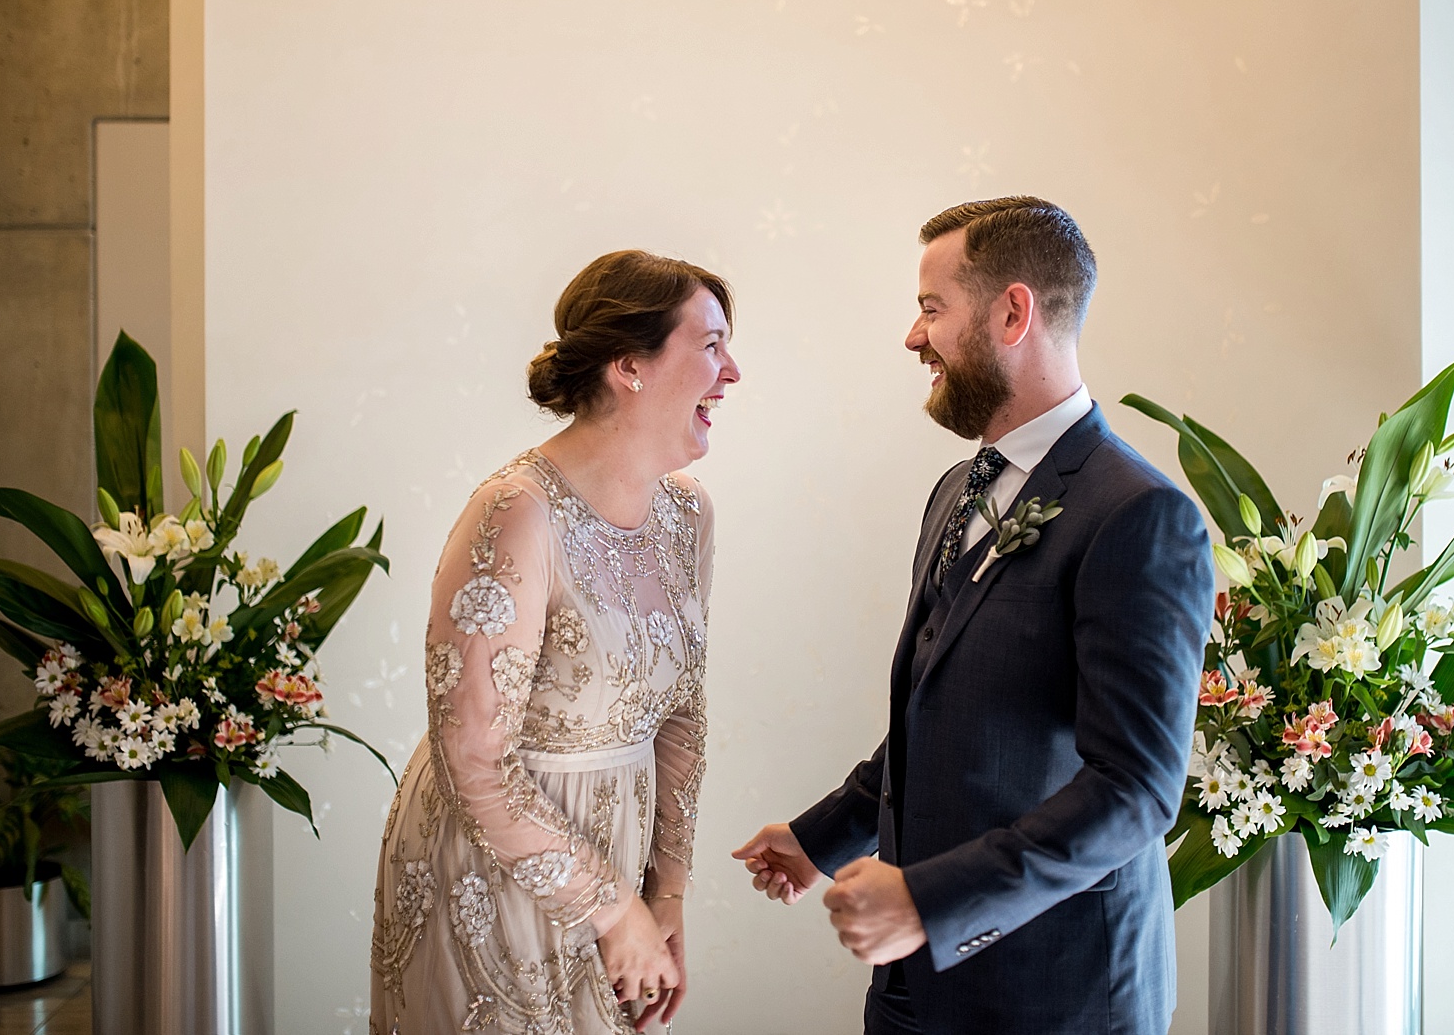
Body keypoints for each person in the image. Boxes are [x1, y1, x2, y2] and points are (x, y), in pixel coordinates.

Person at [733, 197, 1213, 1035]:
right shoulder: (956, 490)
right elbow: (944, 711)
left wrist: (929, 899)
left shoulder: (1136, 513)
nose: (912, 337)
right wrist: (824, 838)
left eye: (930, 309)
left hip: (1058, 992)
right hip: (915, 986)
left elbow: (1134, 789)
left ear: (1012, 312)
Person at [372, 250, 740, 1034]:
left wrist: (664, 892)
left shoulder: (688, 516)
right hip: (494, 864)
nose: (732, 371)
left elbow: (681, 716)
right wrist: (613, 911)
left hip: (623, 861)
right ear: (630, 366)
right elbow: (469, 754)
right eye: (710, 344)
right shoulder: (516, 512)